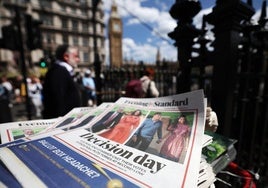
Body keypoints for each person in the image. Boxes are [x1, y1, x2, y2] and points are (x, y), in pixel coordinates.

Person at [42, 44, 82, 119]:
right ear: (66, 56)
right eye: (76, 56)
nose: (78, 60)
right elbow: (58, 100)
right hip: (63, 121)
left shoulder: (62, 71)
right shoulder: (59, 72)